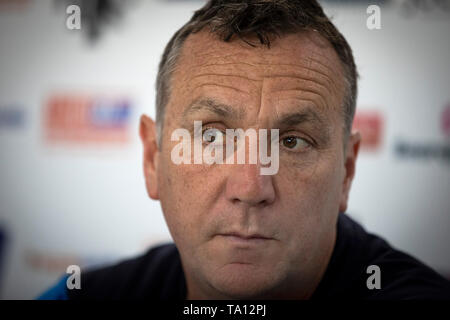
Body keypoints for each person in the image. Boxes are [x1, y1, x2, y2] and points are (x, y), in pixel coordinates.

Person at [39, 0, 450, 300]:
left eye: (292, 142)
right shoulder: (85, 295)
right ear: (153, 158)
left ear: (346, 171)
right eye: (213, 136)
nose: (251, 187)